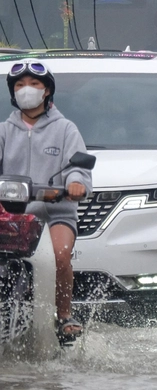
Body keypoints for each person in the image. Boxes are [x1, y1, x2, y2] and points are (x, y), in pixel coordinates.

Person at [0, 62, 92, 344]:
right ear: (13, 94)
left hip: (56, 211)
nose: (26, 89)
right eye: (19, 85)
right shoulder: (4, 130)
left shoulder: (65, 129)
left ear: (47, 90)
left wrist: (76, 183)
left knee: (61, 255)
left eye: (34, 84)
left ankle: (64, 316)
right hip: (12, 212)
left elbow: (79, 165)